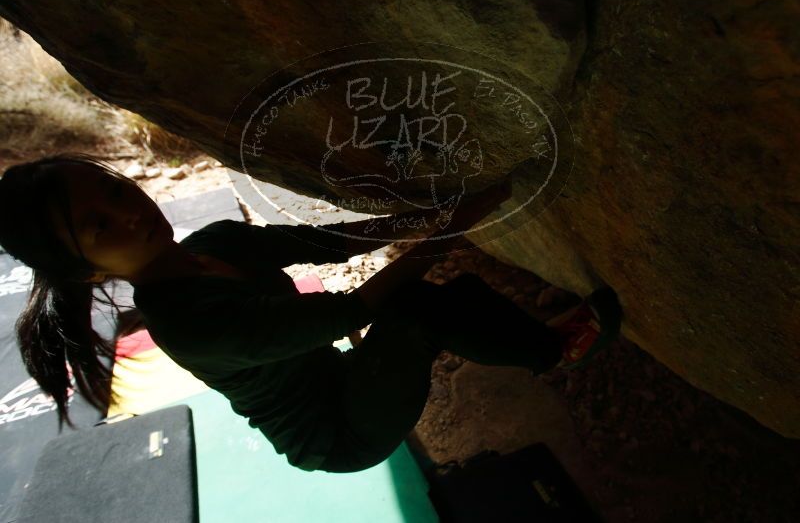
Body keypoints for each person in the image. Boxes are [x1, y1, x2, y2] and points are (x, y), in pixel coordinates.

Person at [0, 153, 620, 473]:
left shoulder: (213, 243)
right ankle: (556, 352)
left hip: (336, 377)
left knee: (424, 300)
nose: (129, 211)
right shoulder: (188, 323)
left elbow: (336, 243)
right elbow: (343, 310)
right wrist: (447, 233)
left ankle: (534, 341)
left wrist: (440, 207)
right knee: (418, 311)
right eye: (99, 225)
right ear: (86, 270)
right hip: (336, 433)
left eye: (112, 189)